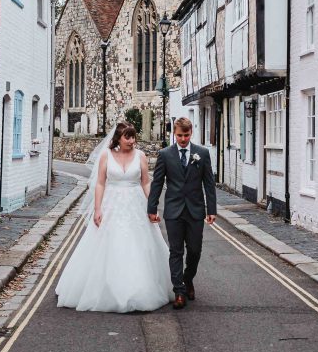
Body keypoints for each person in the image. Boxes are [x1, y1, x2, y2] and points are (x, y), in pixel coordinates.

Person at [55, 121, 173, 313]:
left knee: (140, 245)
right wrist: (97, 208)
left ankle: (140, 288)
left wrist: (152, 206)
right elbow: (100, 183)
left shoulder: (141, 156)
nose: (132, 141)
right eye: (128, 137)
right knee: (108, 245)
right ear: (117, 138)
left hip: (136, 205)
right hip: (112, 204)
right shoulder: (106, 156)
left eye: (133, 136)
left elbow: (145, 183)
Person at [147, 117, 217, 310]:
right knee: (176, 251)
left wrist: (211, 209)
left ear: (191, 133)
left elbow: (209, 184)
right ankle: (179, 291)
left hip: (195, 211)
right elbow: (157, 183)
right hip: (173, 210)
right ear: (174, 134)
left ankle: (187, 279)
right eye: (179, 135)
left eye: (186, 135)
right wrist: (151, 208)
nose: (183, 139)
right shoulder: (165, 154)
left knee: (194, 251)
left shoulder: (202, 153)